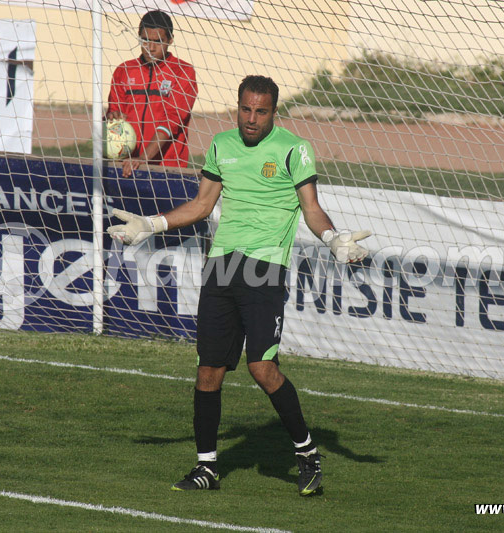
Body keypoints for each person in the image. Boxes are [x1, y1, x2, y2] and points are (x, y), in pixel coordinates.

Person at [108, 75, 371, 496]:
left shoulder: (294, 149)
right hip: (221, 269)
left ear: (273, 112)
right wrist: (151, 225)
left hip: (264, 271)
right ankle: (206, 468)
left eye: (261, 111)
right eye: (245, 110)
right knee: (208, 370)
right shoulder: (222, 145)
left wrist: (332, 239)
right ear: (238, 107)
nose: (251, 119)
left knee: (262, 368)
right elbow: (201, 205)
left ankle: (306, 452)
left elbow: (311, 209)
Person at [106, 10, 198, 178]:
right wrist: (113, 117)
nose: (151, 47)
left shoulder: (183, 72)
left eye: (158, 41)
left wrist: (144, 157)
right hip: (127, 165)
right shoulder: (124, 70)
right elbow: (114, 112)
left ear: (170, 40)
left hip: (168, 168)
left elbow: (172, 120)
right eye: (145, 40)